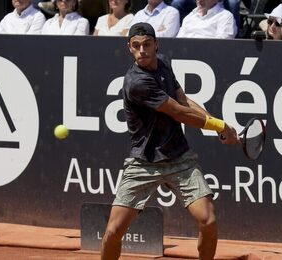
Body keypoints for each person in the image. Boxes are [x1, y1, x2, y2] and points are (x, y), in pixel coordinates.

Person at [100, 22, 239, 260]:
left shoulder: (163, 63)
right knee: (114, 231)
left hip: (179, 156)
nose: (142, 50)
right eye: (136, 46)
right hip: (144, 162)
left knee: (208, 219)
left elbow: (184, 101)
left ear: (156, 44)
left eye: (146, 44)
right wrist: (220, 126)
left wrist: (217, 124)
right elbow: (178, 112)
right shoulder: (136, 82)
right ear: (129, 48)